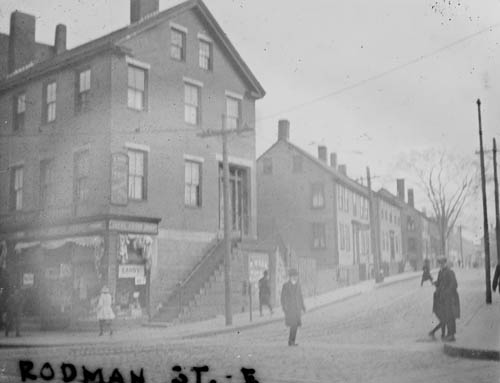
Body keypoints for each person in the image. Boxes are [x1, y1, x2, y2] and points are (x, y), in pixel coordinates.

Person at [433, 257, 460, 342]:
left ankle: (452, 335)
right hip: (443, 299)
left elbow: (454, 284)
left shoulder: (449, 272)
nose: (441, 265)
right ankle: (449, 334)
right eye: (439, 263)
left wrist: (447, 292)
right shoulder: (440, 272)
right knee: (446, 316)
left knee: (450, 316)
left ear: (445, 263)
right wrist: (436, 283)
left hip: (450, 298)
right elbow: (440, 282)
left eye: (442, 263)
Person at [281, 269, 306, 346]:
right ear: (290, 277)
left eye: (296, 276)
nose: (295, 278)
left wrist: (303, 306)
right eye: (294, 276)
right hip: (290, 309)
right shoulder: (286, 286)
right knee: (293, 325)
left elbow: (300, 296)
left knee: (295, 326)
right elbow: (283, 297)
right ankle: (291, 341)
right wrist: (284, 307)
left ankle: (292, 341)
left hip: (297, 308)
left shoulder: (298, 285)